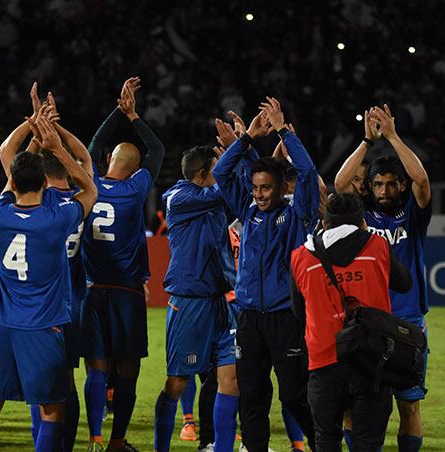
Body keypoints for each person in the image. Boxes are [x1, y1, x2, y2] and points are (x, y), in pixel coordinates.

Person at [0, 114, 97, 452]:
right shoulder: (57, 218)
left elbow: (6, 152)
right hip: (44, 328)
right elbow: (90, 187)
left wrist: (32, 125)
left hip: (4, 327)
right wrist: (57, 147)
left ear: (14, 181)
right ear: (44, 183)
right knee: (52, 413)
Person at [212, 98, 319, 452]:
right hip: (248, 320)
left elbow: (305, 172)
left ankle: (323, 444)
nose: (258, 194)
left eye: (265, 188)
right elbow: (221, 174)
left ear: (281, 188)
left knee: (294, 397)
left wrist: (284, 131)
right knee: (252, 399)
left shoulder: (296, 214)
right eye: (255, 188)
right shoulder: (247, 209)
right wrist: (245, 141)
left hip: (284, 318)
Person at [0, 85, 93, 452]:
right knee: (64, 383)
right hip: (71, 300)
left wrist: (35, 129)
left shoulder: (29, 201)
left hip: (33, 306)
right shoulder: (73, 202)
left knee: (39, 389)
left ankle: (45, 442)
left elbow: (8, 153)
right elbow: (85, 162)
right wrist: (57, 136)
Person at [334, 105, 432, 452]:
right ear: (370, 187)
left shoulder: (413, 217)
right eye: (378, 184)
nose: (385, 190)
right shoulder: (361, 214)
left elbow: (421, 180)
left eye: (392, 184)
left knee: (409, 405)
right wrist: (366, 141)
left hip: (407, 321)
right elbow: (340, 183)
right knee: (354, 404)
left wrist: (391, 137)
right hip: (368, 321)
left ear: (400, 186)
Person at [290, 192, 413, 451]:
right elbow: (405, 283)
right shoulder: (377, 246)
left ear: (325, 223)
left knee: (326, 440)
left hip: (324, 360)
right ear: (362, 222)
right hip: (372, 361)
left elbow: (298, 312)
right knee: (368, 442)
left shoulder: (301, 257)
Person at [81, 77, 165, 452]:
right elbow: (157, 150)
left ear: (109, 162)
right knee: (128, 368)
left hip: (91, 289)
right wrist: (133, 116)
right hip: (127, 291)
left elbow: (93, 146)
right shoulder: (135, 189)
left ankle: (94, 438)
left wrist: (117, 111)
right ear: (134, 169)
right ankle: (117, 441)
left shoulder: (91, 183)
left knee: (97, 367)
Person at [153, 145, 238, 452]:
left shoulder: (212, 201)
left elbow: (236, 194)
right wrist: (241, 145)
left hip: (220, 302)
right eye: (216, 170)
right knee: (178, 382)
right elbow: (224, 189)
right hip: (189, 303)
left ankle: (217, 445)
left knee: (230, 378)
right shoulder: (179, 197)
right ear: (202, 174)